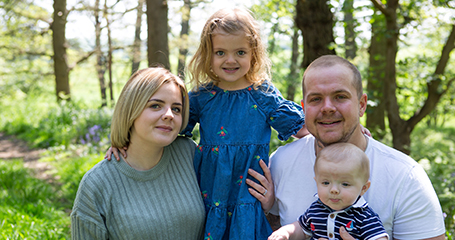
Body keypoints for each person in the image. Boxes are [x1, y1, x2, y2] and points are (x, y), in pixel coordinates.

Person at [259, 55, 446, 239]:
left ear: (362, 105)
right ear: (304, 108)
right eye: (315, 99)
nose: (327, 108)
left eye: (340, 97)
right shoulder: (280, 162)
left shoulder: (405, 176)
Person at [181, 8, 306, 239]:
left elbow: (303, 128)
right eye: (220, 52)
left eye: (240, 52)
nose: (230, 60)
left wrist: (346, 132)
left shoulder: (263, 95)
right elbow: (170, 130)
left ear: (253, 54)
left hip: (248, 195)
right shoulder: (201, 97)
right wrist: (127, 144)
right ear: (209, 55)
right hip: (208, 193)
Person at [71, 67, 205, 239]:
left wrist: (250, 193)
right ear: (130, 110)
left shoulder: (189, 153)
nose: (169, 115)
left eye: (176, 109)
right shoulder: (97, 183)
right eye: (155, 105)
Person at [268, 143, 388, 240]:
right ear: (316, 182)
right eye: (326, 183)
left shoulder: (364, 216)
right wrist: (285, 233)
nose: (334, 190)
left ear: (363, 188)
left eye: (345, 184)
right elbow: (300, 228)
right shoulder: (316, 209)